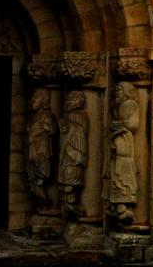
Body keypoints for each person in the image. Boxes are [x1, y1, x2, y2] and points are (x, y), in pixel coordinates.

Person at [107, 82, 139, 224]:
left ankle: (124, 208)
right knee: (115, 171)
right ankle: (118, 206)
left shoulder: (130, 104)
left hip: (124, 140)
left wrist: (117, 125)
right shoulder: (118, 106)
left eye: (120, 90)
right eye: (116, 90)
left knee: (122, 173)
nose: (116, 93)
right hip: (118, 140)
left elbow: (132, 125)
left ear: (127, 92)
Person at [58, 90, 89, 218]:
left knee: (70, 180)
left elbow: (79, 133)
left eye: (71, 99)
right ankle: (68, 205)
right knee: (66, 180)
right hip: (67, 153)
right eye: (67, 99)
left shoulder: (78, 116)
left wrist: (66, 126)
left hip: (74, 154)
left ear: (79, 102)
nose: (67, 103)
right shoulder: (72, 116)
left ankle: (71, 205)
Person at [26, 88, 57, 209]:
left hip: (42, 151)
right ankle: (43, 203)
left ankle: (46, 203)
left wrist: (47, 128)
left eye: (35, 98)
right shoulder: (33, 116)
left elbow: (53, 129)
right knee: (33, 179)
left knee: (40, 178)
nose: (32, 101)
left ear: (44, 100)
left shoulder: (47, 115)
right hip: (33, 150)